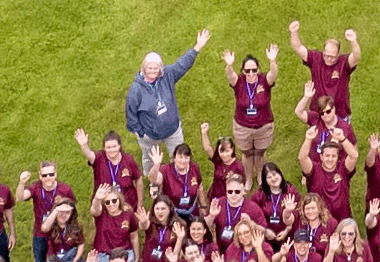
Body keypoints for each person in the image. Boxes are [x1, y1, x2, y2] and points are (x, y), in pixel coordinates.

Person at [124, 28, 211, 168]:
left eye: (156, 68)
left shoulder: (167, 75)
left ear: (161, 68)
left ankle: (178, 175)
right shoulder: (136, 89)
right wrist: (141, 133)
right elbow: (131, 114)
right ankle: (151, 177)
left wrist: (197, 47)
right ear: (143, 69)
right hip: (150, 136)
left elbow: (182, 65)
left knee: (179, 156)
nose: (153, 71)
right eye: (149, 68)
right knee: (150, 159)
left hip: (173, 131)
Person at [223, 46, 279, 176]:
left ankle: (260, 175)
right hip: (243, 127)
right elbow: (230, 75)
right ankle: (248, 177)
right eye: (247, 70)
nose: (251, 73)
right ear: (243, 71)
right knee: (247, 155)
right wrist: (229, 65)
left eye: (254, 70)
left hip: (263, 127)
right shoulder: (239, 82)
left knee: (260, 154)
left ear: (258, 69)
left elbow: (273, 74)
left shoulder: (264, 80)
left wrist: (272, 61)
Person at [288, 21, 361, 119]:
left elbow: (356, 56)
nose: (329, 59)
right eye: (326, 55)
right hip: (318, 112)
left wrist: (353, 41)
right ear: (323, 52)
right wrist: (294, 32)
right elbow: (298, 48)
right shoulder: (315, 59)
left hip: (340, 114)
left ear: (338, 54)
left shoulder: (344, 63)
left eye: (332, 56)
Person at [15, 161, 76, 262]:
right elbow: (20, 197)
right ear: (40, 176)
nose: (48, 178)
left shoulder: (64, 189)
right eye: (44, 175)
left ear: (56, 174)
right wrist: (22, 183)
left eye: (51, 174)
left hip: (59, 232)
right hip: (40, 233)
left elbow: (72, 207)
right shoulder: (36, 187)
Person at [298, 126, 358, 222]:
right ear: (321, 157)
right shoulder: (313, 169)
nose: (330, 159)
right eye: (327, 156)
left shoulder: (343, 168)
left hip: (343, 219)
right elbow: (302, 158)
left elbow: (354, 156)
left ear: (338, 157)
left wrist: (342, 138)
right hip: (320, 220)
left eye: (333, 156)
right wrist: (308, 139)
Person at [76, 129, 144, 212]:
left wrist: (140, 204)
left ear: (119, 146)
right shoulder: (99, 158)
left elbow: (138, 179)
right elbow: (89, 155)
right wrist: (84, 145)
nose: (112, 150)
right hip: (105, 204)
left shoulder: (128, 160)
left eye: (114, 146)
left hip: (127, 203)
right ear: (104, 148)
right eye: (108, 147)